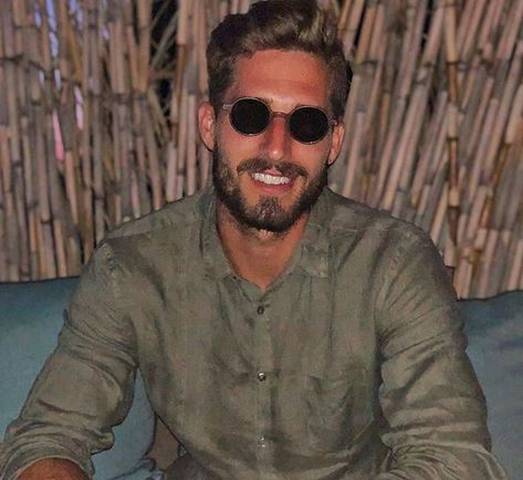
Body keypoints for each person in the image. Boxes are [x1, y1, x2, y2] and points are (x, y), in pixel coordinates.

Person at [0, 1, 507, 479]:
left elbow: (452, 457)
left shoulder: (392, 264)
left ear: (333, 142)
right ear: (210, 125)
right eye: (250, 115)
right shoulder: (133, 266)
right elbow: (49, 436)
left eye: (306, 123)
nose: (277, 148)